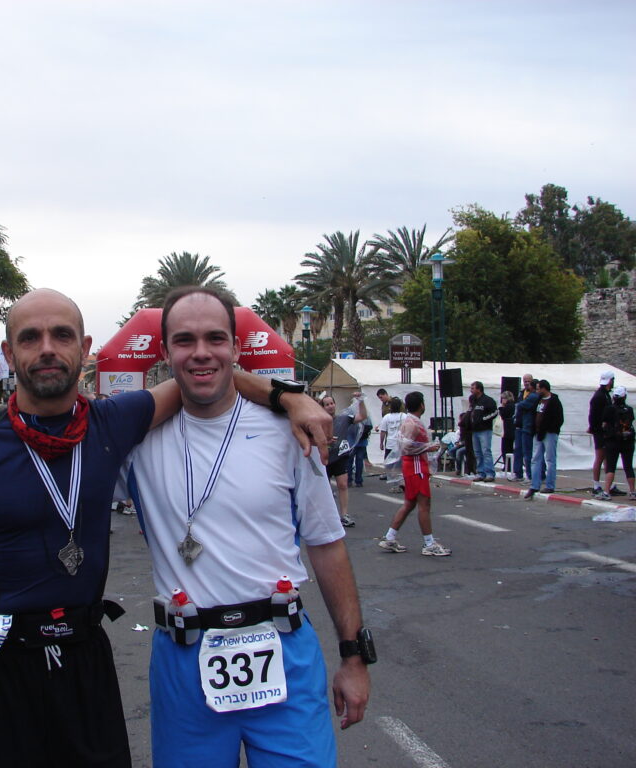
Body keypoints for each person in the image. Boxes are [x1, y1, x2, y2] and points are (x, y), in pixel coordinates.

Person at [0, 288, 333, 768]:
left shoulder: (112, 424)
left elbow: (205, 375)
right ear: (8, 353)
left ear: (84, 348)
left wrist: (288, 396)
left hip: (85, 667)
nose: (47, 348)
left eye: (61, 335)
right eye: (29, 338)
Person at [121, 288, 370, 767]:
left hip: (284, 651)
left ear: (236, 348)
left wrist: (354, 657)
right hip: (183, 663)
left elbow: (327, 545)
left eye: (215, 339)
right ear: (165, 352)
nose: (201, 352)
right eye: (184, 340)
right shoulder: (136, 441)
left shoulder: (288, 432)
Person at [378, 390, 451, 557]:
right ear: (421, 405)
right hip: (416, 466)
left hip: (413, 466)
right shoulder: (412, 423)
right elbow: (405, 446)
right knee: (424, 505)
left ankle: (390, 537)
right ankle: (429, 543)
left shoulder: (411, 420)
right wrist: (428, 447)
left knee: (409, 504)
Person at [320, 392, 367, 526]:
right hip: (324, 458)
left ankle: (344, 515)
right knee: (324, 489)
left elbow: (362, 416)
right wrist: (325, 442)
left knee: (342, 484)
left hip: (340, 457)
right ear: (322, 407)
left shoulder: (344, 418)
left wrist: (361, 401)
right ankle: (326, 516)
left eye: (332, 403)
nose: (330, 406)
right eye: (327, 404)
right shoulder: (319, 422)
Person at [525, 380, 564, 499]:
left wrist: (550, 429)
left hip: (549, 433)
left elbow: (559, 419)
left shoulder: (554, 401)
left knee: (550, 459)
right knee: (535, 459)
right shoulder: (539, 400)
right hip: (538, 433)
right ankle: (534, 485)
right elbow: (534, 414)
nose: (537, 391)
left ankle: (550, 485)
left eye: (538, 389)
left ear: (544, 389)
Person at [597, 386, 635, 501]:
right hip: (628, 441)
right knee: (628, 466)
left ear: (614, 397)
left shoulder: (609, 409)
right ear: (624, 396)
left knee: (611, 467)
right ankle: (633, 492)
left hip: (613, 441)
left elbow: (604, 424)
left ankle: (606, 492)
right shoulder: (629, 409)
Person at [589, 370, 618, 497]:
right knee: (600, 457)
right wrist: (595, 427)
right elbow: (593, 414)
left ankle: (609, 485)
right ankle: (596, 485)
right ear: (610, 381)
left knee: (607, 457)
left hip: (605, 431)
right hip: (600, 432)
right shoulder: (599, 396)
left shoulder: (605, 395)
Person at [468, 381, 497, 481]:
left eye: (473, 388)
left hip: (485, 430)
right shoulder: (473, 400)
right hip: (474, 430)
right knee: (477, 453)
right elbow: (471, 412)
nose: (471, 390)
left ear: (479, 389)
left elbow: (495, 412)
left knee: (486, 451)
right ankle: (481, 472)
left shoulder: (488, 400)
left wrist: (483, 419)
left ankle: (490, 473)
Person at [512, 374, 539, 482]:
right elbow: (518, 406)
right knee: (518, 450)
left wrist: (520, 405)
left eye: (528, 381)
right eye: (525, 381)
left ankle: (530, 475)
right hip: (519, 425)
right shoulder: (521, 393)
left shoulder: (534, 395)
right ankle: (518, 474)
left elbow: (521, 405)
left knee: (528, 452)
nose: (526, 383)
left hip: (527, 426)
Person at [497, 390, 516, 476]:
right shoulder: (513, 405)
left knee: (506, 448)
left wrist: (502, 407)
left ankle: (508, 466)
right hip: (508, 429)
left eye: (503, 398)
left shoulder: (509, 406)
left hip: (508, 429)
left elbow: (503, 414)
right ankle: (508, 465)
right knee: (508, 448)